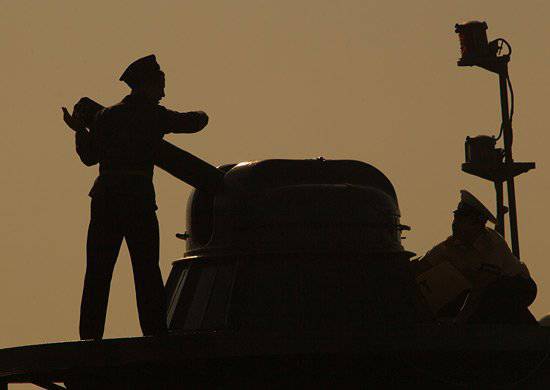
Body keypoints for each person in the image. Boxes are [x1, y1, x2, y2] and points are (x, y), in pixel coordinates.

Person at [62, 55, 209, 339]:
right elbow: (192, 123)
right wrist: (204, 115)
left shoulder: (106, 117)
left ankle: (90, 337)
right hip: (137, 203)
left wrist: (80, 130)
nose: (163, 93)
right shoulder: (155, 116)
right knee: (146, 271)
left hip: (104, 202)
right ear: (147, 86)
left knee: (97, 272)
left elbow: (89, 157)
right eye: (161, 86)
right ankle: (154, 333)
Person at [413, 190, 537, 325]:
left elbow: (482, 286)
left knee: (489, 296)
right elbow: (421, 267)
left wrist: (460, 320)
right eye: (455, 218)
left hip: (518, 286)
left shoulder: (493, 243)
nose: (455, 224)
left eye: (461, 220)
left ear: (477, 225)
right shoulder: (449, 246)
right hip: (484, 291)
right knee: (450, 304)